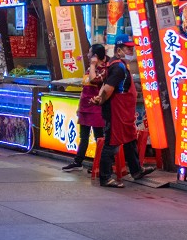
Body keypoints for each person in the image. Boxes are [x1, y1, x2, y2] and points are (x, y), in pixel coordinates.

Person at [91, 35, 155, 188]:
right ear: (118, 50)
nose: (130, 50)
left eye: (132, 47)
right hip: (116, 112)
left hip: (124, 113)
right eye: (128, 48)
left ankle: (136, 170)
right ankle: (105, 178)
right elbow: (107, 89)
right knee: (112, 143)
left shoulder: (119, 65)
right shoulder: (118, 67)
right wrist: (100, 100)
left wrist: (99, 98)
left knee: (130, 139)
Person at [61, 43, 108, 172]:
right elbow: (84, 89)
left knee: (99, 138)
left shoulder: (103, 70)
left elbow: (94, 80)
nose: (87, 55)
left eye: (89, 52)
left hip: (96, 109)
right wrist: (79, 107)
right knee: (84, 137)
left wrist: (93, 65)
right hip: (85, 109)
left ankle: (100, 164)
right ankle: (78, 162)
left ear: (95, 56)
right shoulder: (89, 69)